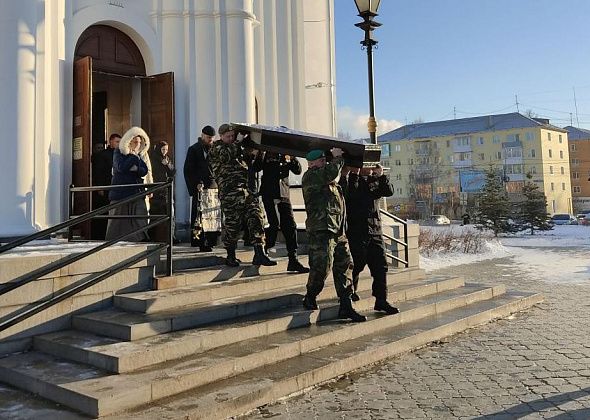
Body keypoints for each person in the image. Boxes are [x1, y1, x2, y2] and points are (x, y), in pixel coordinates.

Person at [301, 148, 366, 322]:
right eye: (322, 161)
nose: (325, 163)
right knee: (322, 267)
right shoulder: (311, 176)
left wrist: (345, 172)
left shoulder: (332, 183)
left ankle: (346, 304)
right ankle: (310, 295)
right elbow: (330, 172)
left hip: (338, 231)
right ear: (312, 163)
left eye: (325, 161)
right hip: (321, 231)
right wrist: (338, 158)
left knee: (345, 266)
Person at [209, 123, 276, 267]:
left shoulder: (236, 148)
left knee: (257, 218)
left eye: (233, 136)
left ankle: (260, 253)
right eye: (228, 136)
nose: (231, 138)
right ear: (221, 136)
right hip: (230, 193)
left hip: (246, 191)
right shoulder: (217, 147)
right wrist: (238, 142)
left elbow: (248, 163)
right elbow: (226, 156)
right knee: (233, 225)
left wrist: (253, 152)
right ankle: (230, 255)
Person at [342, 163, 399, 315]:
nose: (371, 169)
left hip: (375, 230)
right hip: (357, 230)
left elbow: (388, 191)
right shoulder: (352, 180)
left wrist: (381, 176)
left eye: (372, 166)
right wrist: (354, 174)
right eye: (368, 166)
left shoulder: (374, 180)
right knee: (357, 264)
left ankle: (381, 300)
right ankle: (350, 294)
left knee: (380, 266)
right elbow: (351, 196)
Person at [253, 151, 309, 273]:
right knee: (274, 224)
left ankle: (293, 259)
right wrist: (261, 154)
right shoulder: (266, 152)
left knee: (290, 225)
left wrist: (293, 158)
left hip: (283, 193)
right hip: (269, 192)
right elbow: (256, 167)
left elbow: (297, 170)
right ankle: (263, 250)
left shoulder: (286, 154)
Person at [105, 127, 151, 242]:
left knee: (140, 219)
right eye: (135, 141)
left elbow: (144, 170)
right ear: (129, 141)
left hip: (137, 193)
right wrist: (132, 158)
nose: (138, 144)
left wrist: (135, 166)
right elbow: (121, 167)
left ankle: (140, 239)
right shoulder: (118, 152)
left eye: (140, 142)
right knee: (118, 224)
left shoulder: (138, 155)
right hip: (122, 193)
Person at [183, 125, 221, 251]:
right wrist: (196, 183)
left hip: (213, 186)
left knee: (213, 215)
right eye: (208, 137)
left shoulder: (215, 149)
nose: (210, 140)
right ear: (202, 135)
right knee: (200, 216)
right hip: (200, 187)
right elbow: (188, 169)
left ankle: (212, 241)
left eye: (212, 138)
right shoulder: (194, 149)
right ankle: (200, 242)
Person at [91, 133, 121, 239]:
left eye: (119, 141)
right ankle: (101, 235)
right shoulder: (103, 155)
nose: (118, 144)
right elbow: (99, 172)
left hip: (116, 187)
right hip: (106, 186)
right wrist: (100, 187)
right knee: (104, 210)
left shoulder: (121, 154)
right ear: (110, 142)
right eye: (116, 141)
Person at [149, 140, 176, 242]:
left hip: (166, 190)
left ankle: (171, 236)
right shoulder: (153, 159)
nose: (165, 151)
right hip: (156, 190)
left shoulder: (167, 159)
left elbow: (172, 172)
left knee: (170, 213)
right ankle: (153, 236)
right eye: (163, 149)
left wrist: (167, 165)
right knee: (155, 214)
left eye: (166, 149)